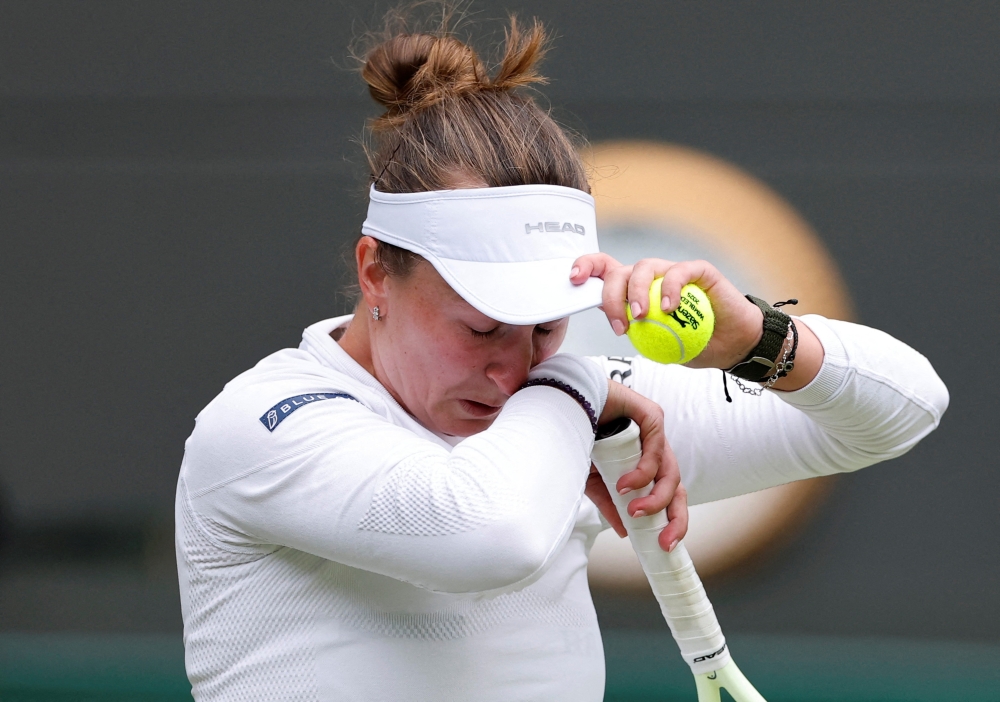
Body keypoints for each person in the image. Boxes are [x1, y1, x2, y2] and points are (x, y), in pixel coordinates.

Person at [174, 15, 949, 702]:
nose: (513, 371)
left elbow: (905, 409)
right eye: (481, 329)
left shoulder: (562, 404)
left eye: (547, 329)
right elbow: (490, 536)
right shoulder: (260, 426)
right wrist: (575, 387)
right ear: (376, 270)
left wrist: (752, 338)